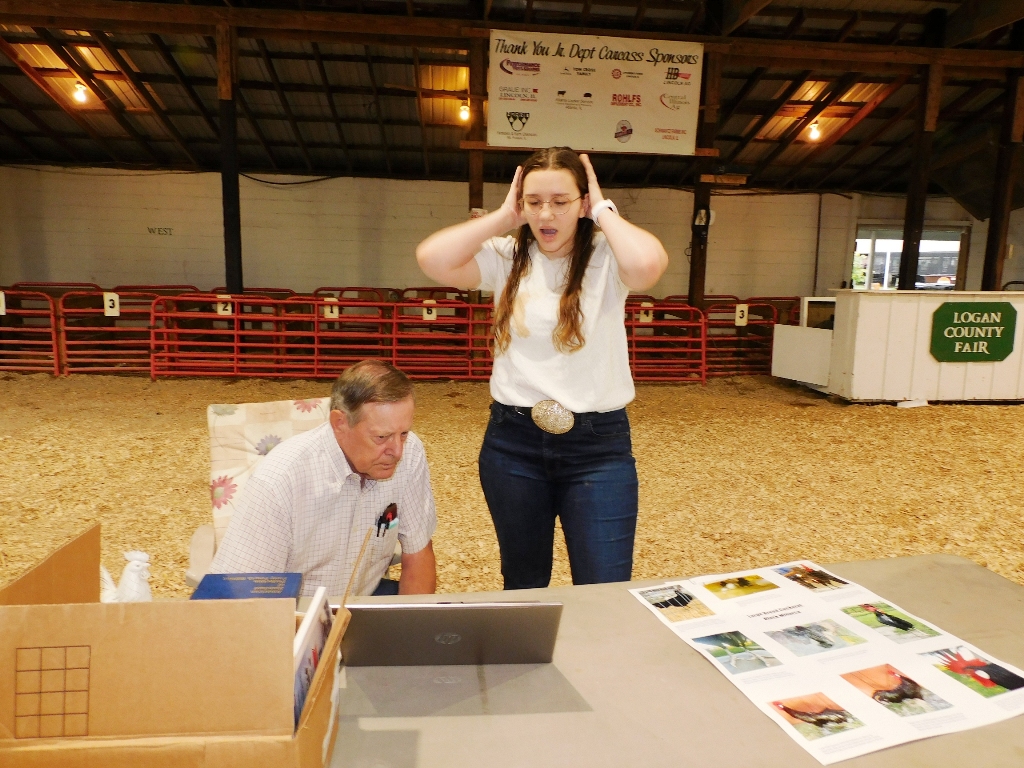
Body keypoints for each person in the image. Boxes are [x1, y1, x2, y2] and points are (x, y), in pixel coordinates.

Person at [416, 147, 668, 589]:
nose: (546, 214)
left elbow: (648, 266)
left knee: (605, 586)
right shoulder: (508, 255)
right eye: (534, 202)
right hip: (513, 442)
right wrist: (502, 218)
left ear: (582, 202)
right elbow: (432, 258)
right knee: (523, 582)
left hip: (597, 447)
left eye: (560, 201)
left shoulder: (607, 256)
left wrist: (603, 210)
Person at [208, 360, 437, 597]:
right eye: (381, 437)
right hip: (294, 609)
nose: (397, 451)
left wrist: (411, 620)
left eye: (404, 433)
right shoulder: (279, 481)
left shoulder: (410, 452)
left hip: (363, 596)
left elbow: (418, 553)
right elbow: (239, 598)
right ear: (340, 423)